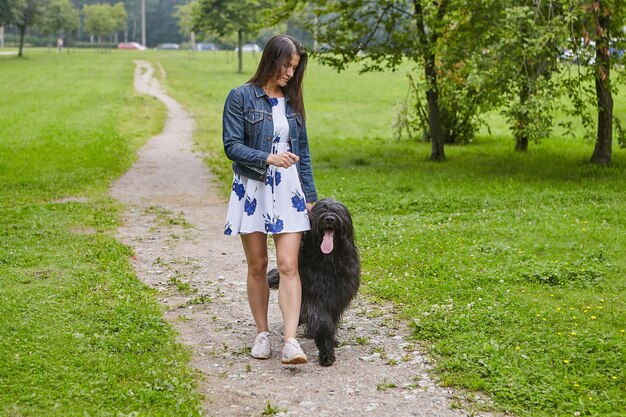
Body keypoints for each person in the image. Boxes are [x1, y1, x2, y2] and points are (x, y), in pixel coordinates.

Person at [222, 34, 317, 365]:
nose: (290, 74)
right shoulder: (240, 97)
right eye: (286, 66)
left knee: (289, 265)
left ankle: (290, 340)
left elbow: (302, 153)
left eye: (294, 68)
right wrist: (267, 158)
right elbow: (231, 146)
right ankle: (263, 333)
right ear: (271, 60)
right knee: (259, 265)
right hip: (253, 187)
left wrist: (310, 198)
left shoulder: (293, 103)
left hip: (289, 190)